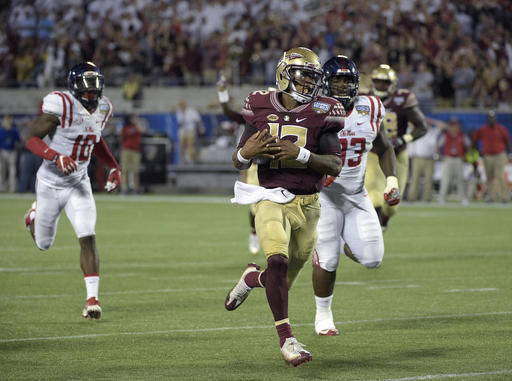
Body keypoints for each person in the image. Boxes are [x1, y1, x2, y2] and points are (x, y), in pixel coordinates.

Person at [225, 47, 344, 366]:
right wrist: (245, 154)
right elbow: (238, 156)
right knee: (276, 263)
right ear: (284, 74)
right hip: (270, 196)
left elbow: (335, 165)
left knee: (282, 278)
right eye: (303, 75)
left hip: (309, 203)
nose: (308, 83)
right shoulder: (259, 103)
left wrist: (301, 155)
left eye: (312, 77)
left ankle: (252, 279)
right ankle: (287, 340)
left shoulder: (326, 108)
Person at [23, 61, 121, 320]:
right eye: (86, 91)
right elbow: (30, 137)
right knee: (44, 244)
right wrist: (56, 157)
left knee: (87, 235)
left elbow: (95, 139)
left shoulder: (104, 108)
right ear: (75, 89)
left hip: (78, 183)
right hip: (49, 183)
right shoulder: (61, 105)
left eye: (94, 90)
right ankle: (32, 217)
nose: (91, 95)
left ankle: (92, 299)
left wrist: (113, 165)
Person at [311, 56, 400, 336]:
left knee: (372, 258)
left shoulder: (371, 106)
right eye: (335, 80)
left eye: (346, 80)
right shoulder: (312, 111)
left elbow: (384, 147)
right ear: (325, 83)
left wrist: (392, 180)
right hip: (324, 195)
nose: (340, 85)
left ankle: (335, 242)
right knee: (328, 258)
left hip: (356, 194)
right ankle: (323, 314)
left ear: (356, 84)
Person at [364, 64, 427, 230]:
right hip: (373, 153)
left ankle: (383, 221)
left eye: (384, 83)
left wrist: (402, 139)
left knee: (392, 203)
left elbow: (422, 127)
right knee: (373, 194)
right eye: (377, 82)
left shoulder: (403, 98)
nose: (380, 86)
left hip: (398, 154)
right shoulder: (363, 98)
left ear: (392, 84)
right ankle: (375, 228)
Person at [216, 74, 260, 255]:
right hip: (258, 166)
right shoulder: (252, 118)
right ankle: (253, 234)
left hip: (282, 164)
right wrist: (223, 93)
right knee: (255, 205)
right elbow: (229, 112)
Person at [473, 110, 511, 203]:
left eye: (493, 118)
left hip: (499, 155)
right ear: (487, 119)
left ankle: (504, 197)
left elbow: (507, 141)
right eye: (490, 118)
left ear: (495, 119)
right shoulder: (483, 129)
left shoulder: (501, 129)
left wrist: (509, 153)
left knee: (500, 176)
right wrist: (479, 151)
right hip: (488, 156)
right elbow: (475, 140)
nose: (491, 120)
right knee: (489, 177)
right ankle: (491, 197)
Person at [407, 118, 446, 202]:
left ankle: (427, 198)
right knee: (415, 179)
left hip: (430, 159)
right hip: (417, 158)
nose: (426, 125)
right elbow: (409, 124)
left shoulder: (433, 132)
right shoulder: (418, 131)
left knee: (429, 180)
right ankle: (412, 197)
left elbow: (442, 125)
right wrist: (420, 120)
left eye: (428, 124)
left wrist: (431, 120)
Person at [437, 117, 471, 204]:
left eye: (456, 126)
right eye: (452, 126)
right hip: (448, 158)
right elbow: (438, 146)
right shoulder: (446, 135)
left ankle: (463, 198)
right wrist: (441, 156)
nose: (454, 128)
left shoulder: (462, 135)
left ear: (458, 127)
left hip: (458, 158)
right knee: (445, 179)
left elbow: (469, 145)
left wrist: (465, 155)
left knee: (460, 179)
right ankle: (442, 198)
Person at [120, 113, 145, 194]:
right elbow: (122, 137)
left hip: (135, 151)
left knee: (135, 171)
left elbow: (142, 130)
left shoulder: (137, 127)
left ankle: (135, 189)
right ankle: (124, 189)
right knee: (124, 170)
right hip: (126, 150)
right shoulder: (125, 128)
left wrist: (137, 124)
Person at [176, 100, 204, 164]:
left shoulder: (191, 111)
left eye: (182, 105)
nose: (181, 106)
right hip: (182, 130)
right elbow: (179, 121)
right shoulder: (179, 112)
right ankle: (182, 159)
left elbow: (198, 120)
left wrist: (201, 127)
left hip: (190, 130)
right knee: (182, 145)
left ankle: (191, 159)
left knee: (190, 144)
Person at [0, 114, 21, 192]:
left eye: (9, 119)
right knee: (2, 170)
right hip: (2, 151)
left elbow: (19, 140)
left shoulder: (14, 130)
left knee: (13, 170)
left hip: (12, 151)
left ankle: (12, 188)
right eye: (6, 119)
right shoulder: (1, 130)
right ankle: (1, 186)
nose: (7, 121)